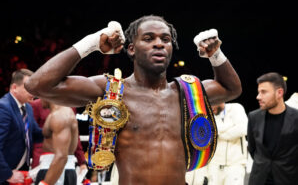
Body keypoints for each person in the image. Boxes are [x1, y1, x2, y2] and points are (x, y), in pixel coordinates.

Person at [25, 15, 242, 185]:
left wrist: (216, 55)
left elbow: (231, 89)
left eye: (165, 40)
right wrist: (91, 44)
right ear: (131, 49)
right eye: (148, 39)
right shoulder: (111, 89)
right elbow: (37, 85)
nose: (159, 44)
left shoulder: (186, 92)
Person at [247, 72, 298, 185]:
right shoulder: (254, 117)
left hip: (288, 179)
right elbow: (253, 149)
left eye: (264, 92)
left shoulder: (296, 118)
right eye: (259, 92)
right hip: (259, 179)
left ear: (279, 92)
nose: (258, 97)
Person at [0, 69, 43, 185]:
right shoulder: (3, 107)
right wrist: (7, 174)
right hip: (5, 176)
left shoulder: (27, 107)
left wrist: (57, 131)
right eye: (28, 88)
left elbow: (35, 134)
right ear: (14, 88)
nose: (33, 92)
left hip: (21, 172)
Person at [29, 98, 88, 174]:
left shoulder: (69, 107)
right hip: (43, 159)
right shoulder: (36, 105)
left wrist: (82, 161)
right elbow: (31, 134)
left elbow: (74, 136)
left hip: (63, 159)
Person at [34, 99, 79, 185]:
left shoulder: (60, 115)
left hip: (58, 172)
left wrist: (45, 183)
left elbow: (61, 156)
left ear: (47, 94)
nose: (39, 99)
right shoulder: (58, 113)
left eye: (40, 94)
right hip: (55, 169)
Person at [207, 102, 248, 185]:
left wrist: (218, 132)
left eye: (212, 104)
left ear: (220, 100)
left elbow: (243, 129)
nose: (210, 108)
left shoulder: (236, 108)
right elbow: (209, 132)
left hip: (235, 165)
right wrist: (231, 126)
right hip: (214, 165)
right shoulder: (209, 114)